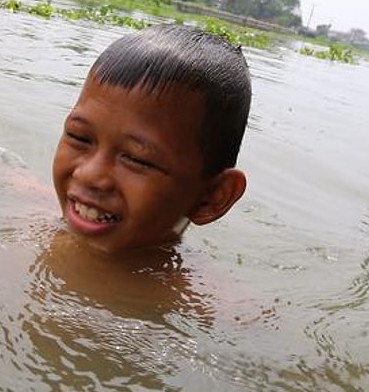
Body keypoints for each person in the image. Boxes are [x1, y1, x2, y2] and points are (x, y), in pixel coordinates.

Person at [51, 22, 252, 256]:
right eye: (79, 137)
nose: (89, 175)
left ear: (211, 198)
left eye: (137, 159)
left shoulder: (186, 292)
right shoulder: (29, 209)